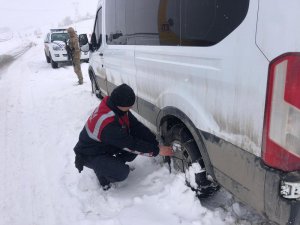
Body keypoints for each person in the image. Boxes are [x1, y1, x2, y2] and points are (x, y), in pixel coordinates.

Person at [73, 84, 174, 190]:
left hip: (104, 145)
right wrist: (157, 151)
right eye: (129, 106)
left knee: (135, 147)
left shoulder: (115, 106)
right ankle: (104, 174)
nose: (130, 108)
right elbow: (131, 144)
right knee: (122, 172)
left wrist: (154, 141)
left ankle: (110, 164)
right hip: (89, 154)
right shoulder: (107, 124)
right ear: (120, 104)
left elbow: (136, 126)